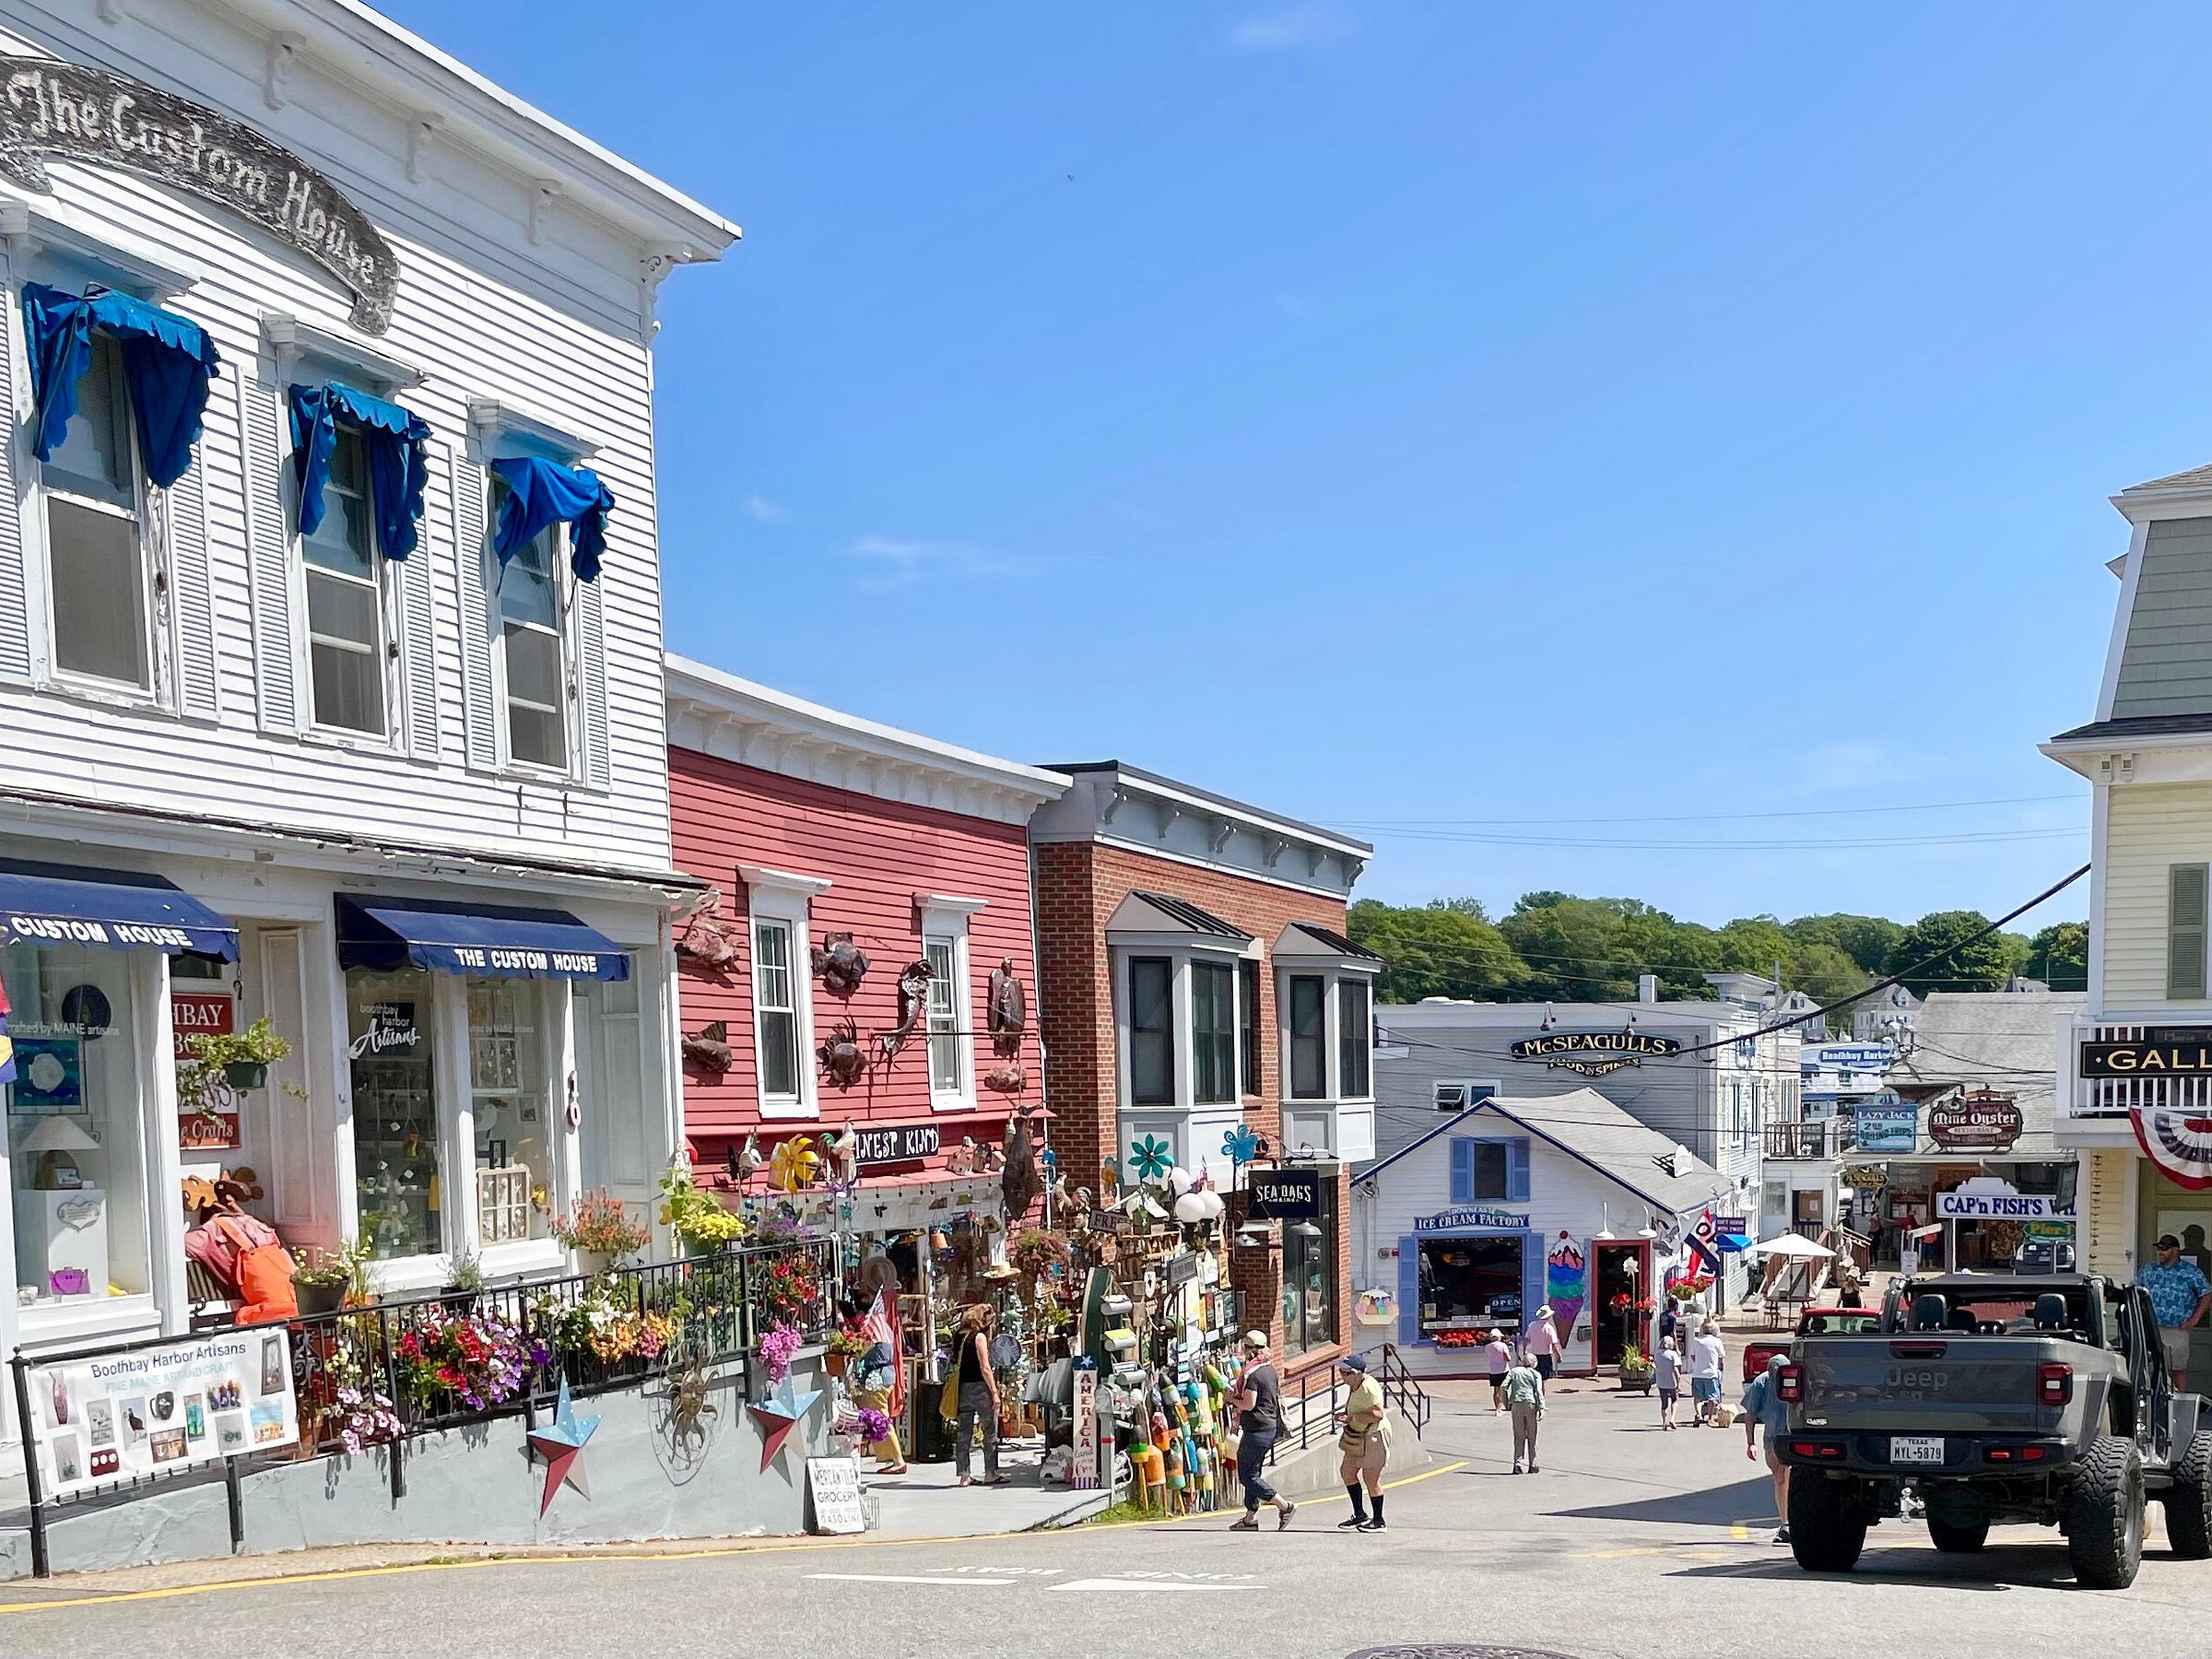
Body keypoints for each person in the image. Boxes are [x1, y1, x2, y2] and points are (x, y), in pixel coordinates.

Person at [1228, 1331, 1296, 1531]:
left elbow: (1249, 1404)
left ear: (1250, 1350)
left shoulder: (1253, 1374)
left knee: (1247, 1475)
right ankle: (1250, 1518)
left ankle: (1284, 1506)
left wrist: (1230, 1398)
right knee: (1253, 1472)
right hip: (1268, 1426)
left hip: (1257, 1429)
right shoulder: (1269, 1369)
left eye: (1245, 1348)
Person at [2141, 1233, 2212, 1390]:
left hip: (2176, 1329)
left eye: (2164, 1249)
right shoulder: (2149, 1270)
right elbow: (2133, 1290)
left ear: (2175, 1250)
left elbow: (2207, 1295)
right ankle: (2151, 1406)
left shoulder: (2191, 1272)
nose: (2160, 1252)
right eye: (2159, 1248)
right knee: (2150, 1368)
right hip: (2150, 1327)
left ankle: (2179, 1409)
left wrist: (2194, 1319)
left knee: (2178, 1370)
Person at [849, 1295, 907, 1475]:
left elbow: (870, 1354)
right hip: (883, 1377)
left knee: (880, 1418)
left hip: (877, 1379)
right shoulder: (882, 1328)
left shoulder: (874, 1332)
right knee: (876, 1417)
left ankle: (898, 1460)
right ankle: (889, 1456)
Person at [1335, 1353, 1392, 1531]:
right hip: (1357, 1436)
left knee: (1371, 1479)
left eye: (1345, 1373)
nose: (1342, 1376)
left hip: (1374, 1436)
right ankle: (1359, 1515)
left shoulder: (1368, 1388)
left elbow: (1378, 1414)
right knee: (1347, 1472)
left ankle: (1379, 1520)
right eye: (1341, 1372)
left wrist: (1352, 1417)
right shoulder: (1355, 1385)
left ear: (1357, 1373)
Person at [951, 1303, 1006, 1487]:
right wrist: (995, 1393)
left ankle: (964, 1475)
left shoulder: (959, 1336)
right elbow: (985, 1367)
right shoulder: (979, 1337)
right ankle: (990, 1472)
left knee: (963, 1432)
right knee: (989, 1430)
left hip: (962, 1389)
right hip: (980, 1389)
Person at [1740, 1352, 1792, 1543]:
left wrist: (1751, 1443)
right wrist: (1750, 1443)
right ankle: (1787, 1523)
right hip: (1778, 1439)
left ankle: (1787, 1523)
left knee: (1783, 1481)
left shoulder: (1763, 1381)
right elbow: (1750, 1415)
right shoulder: (1764, 1382)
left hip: (1782, 1438)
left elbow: (1751, 1415)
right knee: (1783, 1480)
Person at [1503, 1346, 1546, 1474]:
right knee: (1532, 1435)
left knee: (1519, 1435)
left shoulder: (1514, 1371)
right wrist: (1541, 1407)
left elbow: (1504, 1386)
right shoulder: (1535, 1374)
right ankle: (1533, 1464)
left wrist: (1506, 1403)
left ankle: (1518, 1464)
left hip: (1516, 1404)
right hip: (1530, 1404)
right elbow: (1538, 1391)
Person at [1688, 1319, 1726, 1426]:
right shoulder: (1717, 1341)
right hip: (1711, 1373)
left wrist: (1698, 1363)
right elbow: (1721, 1356)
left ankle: (1698, 1414)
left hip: (1698, 1373)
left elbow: (1692, 1355)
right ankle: (1710, 1417)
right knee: (1712, 1397)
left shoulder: (1696, 1340)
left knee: (1698, 1397)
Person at [1653, 1335, 1683, 1430]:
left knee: (1664, 1403)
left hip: (1661, 1381)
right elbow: (1675, 1369)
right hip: (1671, 1381)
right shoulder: (1673, 1354)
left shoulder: (1657, 1354)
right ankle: (1673, 1419)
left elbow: (1655, 1365)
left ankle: (1664, 1422)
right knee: (1674, 1400)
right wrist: (1678, 1381)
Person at [1525, 1306, 1562, 1380]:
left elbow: (1527, 1340)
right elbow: (1554, 1344)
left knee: (1535, 1377)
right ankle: (1542, 1391)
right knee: (1544, 1378)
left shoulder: (1532, 1325)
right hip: (1545, 1356)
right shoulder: (1549, 1328)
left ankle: (1536, 1390)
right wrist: (1558, 1355)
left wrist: (1525, 1351)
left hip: (1534, 1355)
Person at [1484, 1328, 1512, 1415]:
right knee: (1506, 1389)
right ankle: (1506, 1405)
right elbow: (1508, 1358)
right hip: (1503, 1369)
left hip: (1493, 1370)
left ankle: (1497, 1408)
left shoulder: (1487, 1347)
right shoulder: (1503, 1345)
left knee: (1496, 1391)